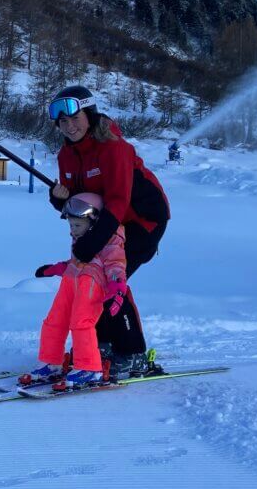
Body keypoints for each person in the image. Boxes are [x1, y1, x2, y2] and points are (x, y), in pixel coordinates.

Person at [39, 85, 170, 376]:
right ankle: (103, 345)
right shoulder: (66, 156)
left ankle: (133, 352)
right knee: (90, 281)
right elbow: (81, 204)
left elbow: (118, 202)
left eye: (75, 118)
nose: (69, 126)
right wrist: (59, 199)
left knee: (109, 282)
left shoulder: (115, 149)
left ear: (90, 115)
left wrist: (94, 241)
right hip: (107, 224)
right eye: (62, 121)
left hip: (142, 222)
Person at [21, 193, 129, 391]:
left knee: (81, 323)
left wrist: (117, 285)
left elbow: (115, 263)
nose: (72, 230)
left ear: (94, 221)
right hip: (72, 280)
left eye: (77, 225)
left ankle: (89, 368)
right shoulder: (80, 235)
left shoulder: (110, 238)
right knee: (54, 320)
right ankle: (51, 362)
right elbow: (77, 261)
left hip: (92, 283)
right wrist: (57, 268)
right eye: (70, 225)